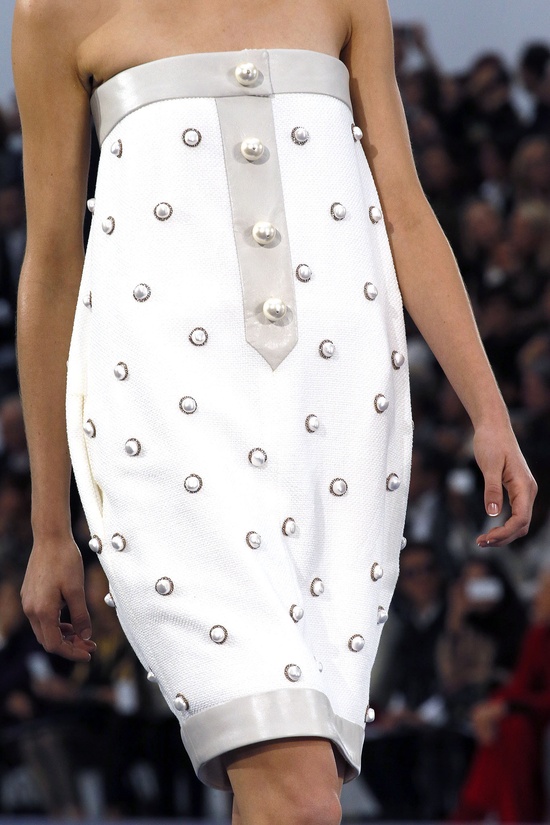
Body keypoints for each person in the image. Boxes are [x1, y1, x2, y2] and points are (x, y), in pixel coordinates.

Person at [12, 2, 537, 824]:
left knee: (299, 781)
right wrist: (50, 529)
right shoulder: (57, 14)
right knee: (297, 786)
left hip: (336, 424)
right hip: (164, 427)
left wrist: (490, 412)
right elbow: (51, 266)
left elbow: (402, 206)